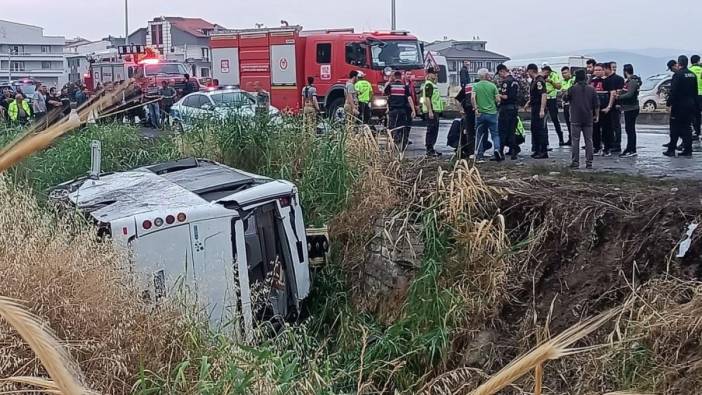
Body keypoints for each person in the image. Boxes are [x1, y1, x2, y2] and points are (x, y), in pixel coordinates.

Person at [664, 55, 699, 157]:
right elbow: (695, 91)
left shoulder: (678, 75)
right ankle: (688, 150)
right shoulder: (692, 75)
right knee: (687, 128)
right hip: (690, 105)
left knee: (674, 128)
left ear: (679, 63)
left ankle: (671, 149)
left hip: (679, 106)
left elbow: (673, 91)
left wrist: (669, 103)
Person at [566, 69, 599, 169]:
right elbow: (596, 105)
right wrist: (596, 116)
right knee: (589, 140)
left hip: (575, 118)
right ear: (585, 77)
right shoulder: (591, 89)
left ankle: (575, 162)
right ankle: (589, 162)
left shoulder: (572, 89)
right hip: (588, 118)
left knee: (575, 140)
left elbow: (565, 98)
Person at [472, 68, 502, 161]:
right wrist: (495, 102)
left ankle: (480, 155)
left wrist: (476, 108)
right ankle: (497, 149)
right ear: (486, 75)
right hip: (492, 113)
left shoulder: (476, 86)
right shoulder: (492, 86)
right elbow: (498, 100)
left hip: (480, 114)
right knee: (495, 134)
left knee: (479, 134)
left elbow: (472, 97)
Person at [384, 71, 415, 150]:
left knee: (392, 127)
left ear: (394, 77)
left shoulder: (390, 86)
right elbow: (409, 98)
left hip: (393, 110)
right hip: (402, 110)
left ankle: (392, 143)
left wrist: (387, 108)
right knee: (401, 127)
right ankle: (400, 143)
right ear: (401, 77)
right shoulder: (405, 87)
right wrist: (413, 110)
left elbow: (386, 96)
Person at [617, 64, 641, 157]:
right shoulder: (632, 81)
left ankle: (632, 149)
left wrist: (619, 97)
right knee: (629, 129)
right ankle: (629, 147)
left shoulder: (632, 82)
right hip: (629, 107)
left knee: (630, 129)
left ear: (625, 71)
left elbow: (630, 94)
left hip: (631, 108)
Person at [601, 62, 625, 155]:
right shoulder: (605, 79)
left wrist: (617, 103)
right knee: (608, 126)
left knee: (616, 126)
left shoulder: (619, 79)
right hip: (606, 106)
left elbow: (618, 93)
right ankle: (610, 143)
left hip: (615, 106)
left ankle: (617, 145)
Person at [497, 64, 520, 160]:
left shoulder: (505, 82)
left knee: (502, 131)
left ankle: (500, 152)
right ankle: (514, 152)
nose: (499, 76)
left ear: (502, 71)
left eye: (499, 73)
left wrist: (497, 94)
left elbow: (505, 96)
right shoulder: (515, 81)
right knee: (512, 131)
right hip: (514, 108)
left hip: (505, 108)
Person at [526, 63, 548, 159]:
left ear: (531, 70)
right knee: (534, 129)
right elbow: (534, 95)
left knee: (540, 130)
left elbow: (543, 95)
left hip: (539, 107)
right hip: (534, 106)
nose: (528, 74)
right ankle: (537, 150)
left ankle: (543, 151)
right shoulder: (534, 81)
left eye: (528, 71)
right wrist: (529, 103)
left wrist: (542, 109)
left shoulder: (539, 81)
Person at [422, 67, 444, 157]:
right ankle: (429, 149)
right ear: (429, 74)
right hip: (432, 111)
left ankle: (432, 148)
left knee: (434, 130)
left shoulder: (432, 84)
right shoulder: (428, 85)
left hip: (435, 111)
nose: (435, 75)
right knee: (431, 130)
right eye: (434, 74)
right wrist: (430, 111)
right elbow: (427, 98)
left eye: (436, 74)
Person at [543, 64, 565, 145]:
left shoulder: (554, 75)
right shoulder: (541, 76)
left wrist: (551, 81)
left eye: (547, 72)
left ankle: (561, 139)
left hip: (552, 99)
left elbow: (559, 87)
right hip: (544, 100)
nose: (545, 74)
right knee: (543, 121)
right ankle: (546, 142)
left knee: (555, 119)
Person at [454, 77, 476, 157]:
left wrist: (461, 110)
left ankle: (471, 152)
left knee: (469, 132)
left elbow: (456, 99)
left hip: (468, 111)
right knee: (480, 131)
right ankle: (480, 151)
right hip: (480, 111)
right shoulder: (483, 86)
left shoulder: (467, 87)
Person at [590, 64, 608, 155]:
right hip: (593, 108)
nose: (597, 71)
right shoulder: (592, 81)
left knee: (606, 129)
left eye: (599, 70)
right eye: (596, 70)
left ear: (603, 70)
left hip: (604, 108)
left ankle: (607, 147)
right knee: (595, 129)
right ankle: (596, 147)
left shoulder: (607, 81)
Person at [561, 67, 576, 140]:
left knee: (573, 123)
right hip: (565, 104)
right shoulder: (563, 81)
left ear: (569, 72)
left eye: (565, 73)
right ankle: (570, 138)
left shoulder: (573, 80)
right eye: (562, 73)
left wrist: (566, 91)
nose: (564, 75)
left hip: (572, 105)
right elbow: (562, 91)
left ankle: (574, 138)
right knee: (567, 122)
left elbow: (572, 90)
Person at [689, 55, 702, 139]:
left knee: (694, 114)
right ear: (698, 61)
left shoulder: (689, 70)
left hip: (693, 95)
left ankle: (696, 131)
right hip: (701, 94)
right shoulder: (701, 70)